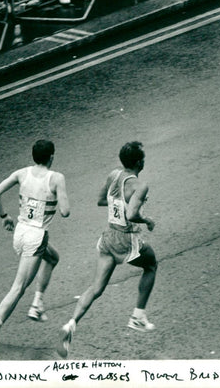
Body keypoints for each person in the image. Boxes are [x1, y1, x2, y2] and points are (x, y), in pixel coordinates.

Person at [58, 141, 157, 359]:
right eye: (144, 158)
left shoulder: (114, 175)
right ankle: (138, 316)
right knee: (151, 264)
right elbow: (132, 215)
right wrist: (147, 219)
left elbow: (102, 200)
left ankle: (71, 324)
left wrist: (122, 203)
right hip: (125, 239)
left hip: (108, 238)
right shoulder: (139, 185)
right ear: (139, 161)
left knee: (96, 287)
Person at [0, 139, 70, 360]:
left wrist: (4, 216)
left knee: (53, 257)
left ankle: (37, 304)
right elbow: (66, 211)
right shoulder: (56, 178)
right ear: (51, 157)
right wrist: (58, 197)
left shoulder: (22, 173)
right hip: (36, 237)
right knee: (18, 288)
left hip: (20, 232)